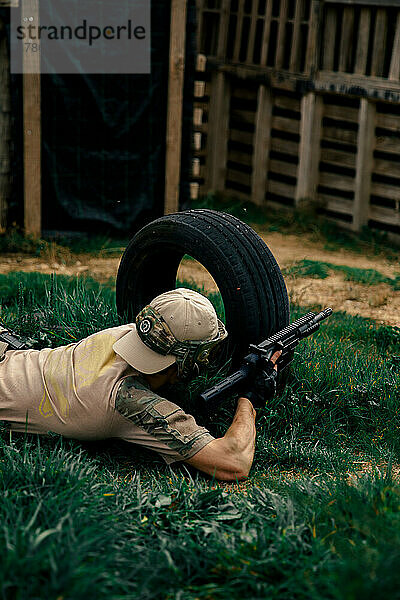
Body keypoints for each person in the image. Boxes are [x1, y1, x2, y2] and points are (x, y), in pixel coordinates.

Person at [0, 288, 280, 481]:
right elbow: (233, 463)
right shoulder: (127, 402)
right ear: (188, 361)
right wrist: (251, 398)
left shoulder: (125, 334)